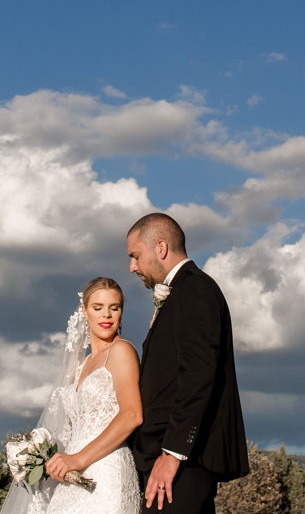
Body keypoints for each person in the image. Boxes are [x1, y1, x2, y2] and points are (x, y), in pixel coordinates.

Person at [125, 213, 248, 514]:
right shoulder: (181, 292)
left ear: (161, 247)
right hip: (166, 459)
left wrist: (172, 454)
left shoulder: (195, 289)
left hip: (183, 463)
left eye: (136, 256)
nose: (132, 267)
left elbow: (198, 374)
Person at [2, 277, 144, 514]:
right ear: (84, 311)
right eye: (98, 308)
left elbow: (132, 415)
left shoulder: (122, 351)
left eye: (114, 307)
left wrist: (78, 459)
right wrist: (40, 456)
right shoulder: (82, 364)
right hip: (70, 478)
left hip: (106, 474)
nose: (106, 315)